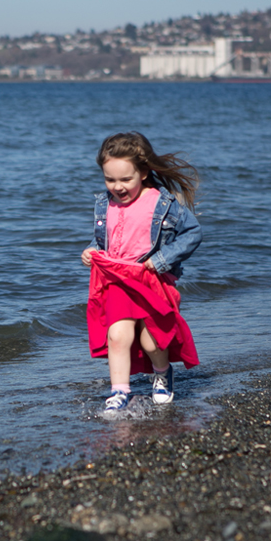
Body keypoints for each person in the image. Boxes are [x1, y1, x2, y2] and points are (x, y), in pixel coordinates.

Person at [81, 132, 202, 410]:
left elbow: (193, 233)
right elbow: (104, 239)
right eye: (110, 179)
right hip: (118, 281)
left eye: (126, 179)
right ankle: (119, 391)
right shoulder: (105, 204)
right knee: (118, 336)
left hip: (152, 280)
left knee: (151, 340)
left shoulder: (162, 203)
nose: (117, 187)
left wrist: (161, 259)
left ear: (144, 172)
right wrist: (91, 251)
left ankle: (162, 374)